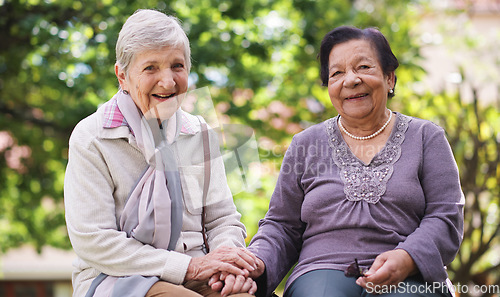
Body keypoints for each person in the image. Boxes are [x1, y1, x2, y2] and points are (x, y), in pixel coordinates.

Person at [245, 26, 464, 297]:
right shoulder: (305, 144)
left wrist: (407, 257)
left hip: (409, 275)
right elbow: (282, 226)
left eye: (363, 67)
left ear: (389, 78)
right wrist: (255, 263)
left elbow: (445, 216)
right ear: (329, 87)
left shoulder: (426, 137)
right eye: (337, 73)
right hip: (320, 271)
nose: (351, 80)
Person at [64, 9, 258, 297]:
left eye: (177, 66)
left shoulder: (198, 132)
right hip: (119, 278)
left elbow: (222, 219)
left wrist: (227, 264)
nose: (167, 82)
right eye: (151, 68)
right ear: (123, 76)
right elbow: (94, 240)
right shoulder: (92, 137)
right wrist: (189, 267)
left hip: (202, 272)